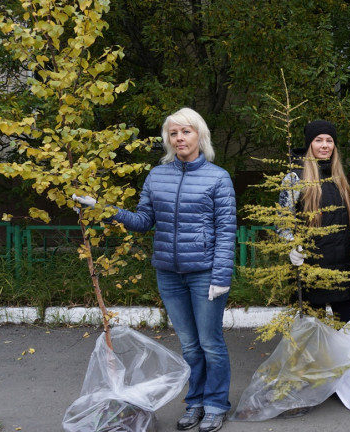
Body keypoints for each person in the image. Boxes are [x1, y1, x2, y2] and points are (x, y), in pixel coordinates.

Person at [104, 108, 235, 432]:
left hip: (205, 273)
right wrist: (108, 211)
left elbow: (226, 232)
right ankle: (196, 403)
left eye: (185, 132)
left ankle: (217, 404)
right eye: (173, 133)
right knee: (189, 346)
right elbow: (143, 221)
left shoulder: (218, 178)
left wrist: (220, 277)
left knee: (210, 343)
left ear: (199, 135)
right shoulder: (157, 176)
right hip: (168, 273)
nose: (179, 138)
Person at [280, 120, 350, 323]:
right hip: (311, 272)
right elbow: (282, 222)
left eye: (329, 140)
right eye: (319, 140)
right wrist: (291, 246)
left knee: (347, 334)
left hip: (343, 271)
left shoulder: (339, 179)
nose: (325, 145)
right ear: (310, 144)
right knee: (314, 338)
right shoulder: (295, 178)